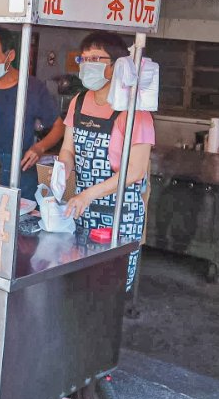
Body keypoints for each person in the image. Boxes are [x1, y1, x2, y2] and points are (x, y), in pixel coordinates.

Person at [59, 30, 155, 293]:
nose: (87, 64)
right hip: (82, 210)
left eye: (96, 59)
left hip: (119, 215)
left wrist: (90, 194)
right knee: (79, 283)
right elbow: (68, 150)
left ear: (116, 66)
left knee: (108, 289)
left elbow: (134, 172)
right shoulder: (78, 102)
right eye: (84, 59)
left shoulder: (135, 111)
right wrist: (62, 171)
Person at [0, 26, 64, 200]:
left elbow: (58, 126)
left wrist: (39, 148)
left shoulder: (32, 88)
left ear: (10, 56)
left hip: (20, 171)